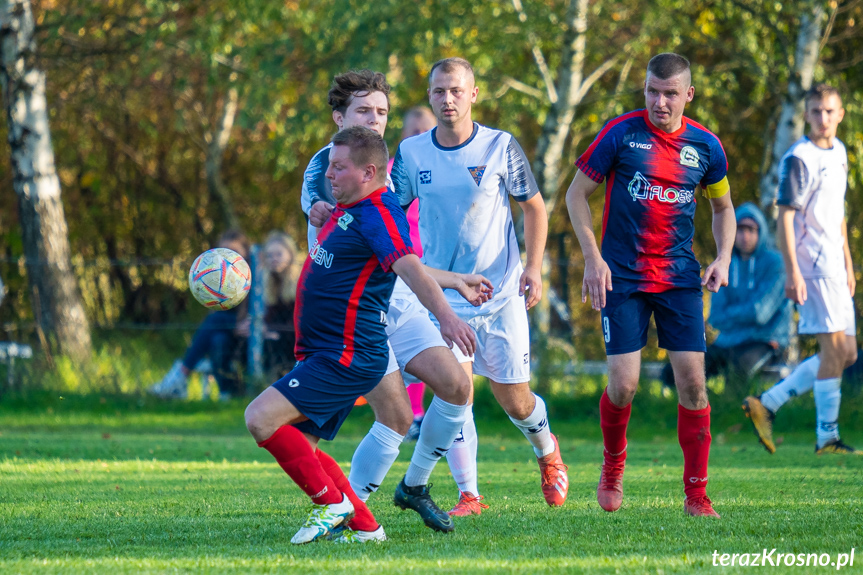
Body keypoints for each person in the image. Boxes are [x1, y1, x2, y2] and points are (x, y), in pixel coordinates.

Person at [244, 126, 477, 545]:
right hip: (325, 351)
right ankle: (367, 528)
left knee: (259, 418)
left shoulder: (379, 212)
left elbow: (407, 266)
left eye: (338, 167)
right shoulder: (349, 207)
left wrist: (446, 318)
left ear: (368, 172)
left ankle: (333, 504)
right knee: (301, 443)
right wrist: (456, 280)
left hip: (347, 354)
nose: (328, 174)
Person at [304, 70, 491, 537]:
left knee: (455, 387)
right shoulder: (332, 168)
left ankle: (414, 486)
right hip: (357, 314)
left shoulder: (392, 162)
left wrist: (453, 280)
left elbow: (398, 255)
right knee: (394, 416)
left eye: (382, 112)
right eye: (364, 111)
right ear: (339, 117)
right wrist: (316, 206)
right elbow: (320, 196)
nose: (375, 120)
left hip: (400, 299)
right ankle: (348, 510)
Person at [391, 57, 569, 516]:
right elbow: (389, 215)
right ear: (429, 96)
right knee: (456, 390)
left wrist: (534, 267)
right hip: (444, 298)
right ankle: (469, 495)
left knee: (516, 400)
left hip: (501, 293)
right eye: (438, 91)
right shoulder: (411, 154)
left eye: (455, 90)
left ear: (473, 94)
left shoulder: (500, 146)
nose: (447, 99)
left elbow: (534, 207)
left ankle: (547, 452)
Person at [565, 53, 735, 518]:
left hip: (679, 279)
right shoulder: (621, 133)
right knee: (624, 386)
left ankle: (697, 496)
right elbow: (576, 194)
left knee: (694, 386)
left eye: (670, 94)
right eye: (652, 92)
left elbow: (722, 209)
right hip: (621, 277)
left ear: (688, 95)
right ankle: (613, 466)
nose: (659, 102)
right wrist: (592, 258)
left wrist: (722, 256)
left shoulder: (706, 146)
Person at [743, 84, 859, 455]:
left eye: (829, 111)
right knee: (832, 349)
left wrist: (848, 262)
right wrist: (792, 270)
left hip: (835, 266)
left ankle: (768, 402)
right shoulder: (799, 157)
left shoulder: (839, 151)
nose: (823, 118)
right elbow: (785, 216)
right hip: (813, 265)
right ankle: (827, 437)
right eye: (815, 111)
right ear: (806, 115)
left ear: (841, 114)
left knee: (848, 353)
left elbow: (836, 215)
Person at [660, 203, 792, 393]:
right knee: (682, 367)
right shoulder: (725, 265)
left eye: (751, 230)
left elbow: (761, 313)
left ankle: (731, 414)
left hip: (765, 342)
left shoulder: (776, 264)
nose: (745, 236)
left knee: (738, 373)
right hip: (729, 341)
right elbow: (716, 317)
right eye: (740, 229)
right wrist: (745, 315)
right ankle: (689, 407)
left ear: (760, 231)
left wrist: (734, 315)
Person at [150, 230, 252, 400]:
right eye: (225, 252)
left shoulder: (254, 278)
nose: (228, 260)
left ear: (245, 255)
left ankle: (181, 374)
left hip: (254, 339)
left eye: (234, 253)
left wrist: (251, 325)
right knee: (217, 340)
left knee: (214, 321)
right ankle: (229, 393)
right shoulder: (217, 281)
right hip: (231, 337)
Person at [389, 106, 438, 441]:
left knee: (430, 343)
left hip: (439, 270)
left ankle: (418, 415)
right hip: (399, 270)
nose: (419, 138)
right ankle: (401, 413)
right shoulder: (390, 173)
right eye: (413, 132)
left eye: (426, 132)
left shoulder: (445, 169)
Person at [236, 231, 299, 380]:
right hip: (273, 334)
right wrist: (255, 326)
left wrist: (268, 329)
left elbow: (298, 322)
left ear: (290, 255)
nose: (273, 259)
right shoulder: (265, 283)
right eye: (269, 256)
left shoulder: (301, 282)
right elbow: (268, 316)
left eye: (278, 254)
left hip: (294, 338)